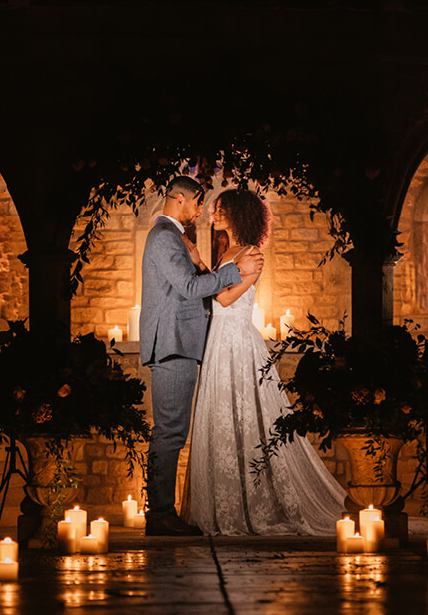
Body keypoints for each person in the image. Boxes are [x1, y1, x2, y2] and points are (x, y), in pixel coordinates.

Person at [181, 187, 346, 535]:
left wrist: (204, 274)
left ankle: (255, 504)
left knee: (248, 413)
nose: (214, 216)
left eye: (221, 210)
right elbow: (220, 282)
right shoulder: (232, 251)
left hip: (237, 342)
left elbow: (224, 298)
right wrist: (199, 262)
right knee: (223, 412)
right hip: (219, 341)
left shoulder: (253, 254)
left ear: (240, 213)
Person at [140, 175, 264, 536]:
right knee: (170, 432)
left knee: (171, 430)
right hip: (173, 344)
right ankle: (160, 514)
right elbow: (192, 288)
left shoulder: (170, 237)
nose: (201, 212)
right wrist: (232, 271)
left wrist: (201, 261)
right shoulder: (164, 237)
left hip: (179, 343)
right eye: (197, 203)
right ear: (179, 199)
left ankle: (162, 512)